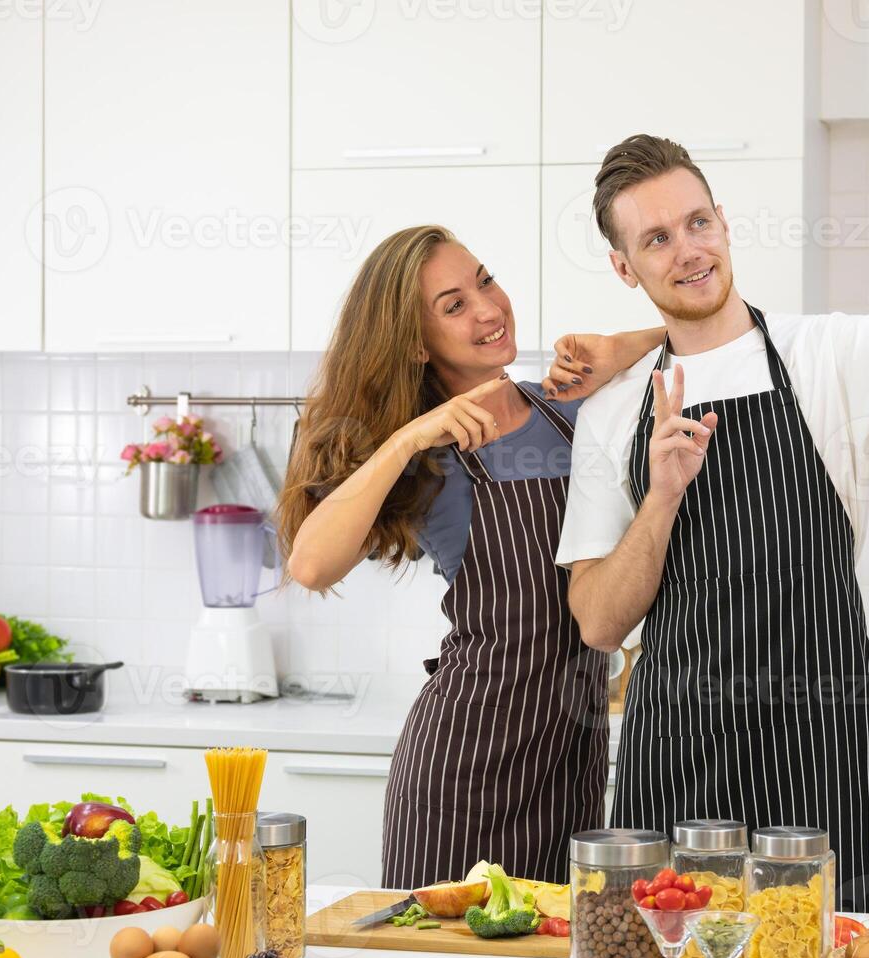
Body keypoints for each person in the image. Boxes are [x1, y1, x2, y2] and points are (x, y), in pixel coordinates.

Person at [556, 135, 869, 912]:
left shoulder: (827, 353)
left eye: (696, 223)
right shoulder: (613, 410)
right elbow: (596, 621)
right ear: (624, 266)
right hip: (679, 756)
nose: (687, 251)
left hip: (826, 753)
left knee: (841, 953)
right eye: (656, 238)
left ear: (722, 223)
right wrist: (659, 498)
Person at [276, 224, 664, 887]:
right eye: (452, 305)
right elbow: (310, 565)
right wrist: (407, 438)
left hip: (569, 761)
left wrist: (631, 341)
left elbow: (712, 343)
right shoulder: (425, 449)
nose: (488, 308)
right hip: (464, 768)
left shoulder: (567, 413)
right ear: (415, 344)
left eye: (484, 280)